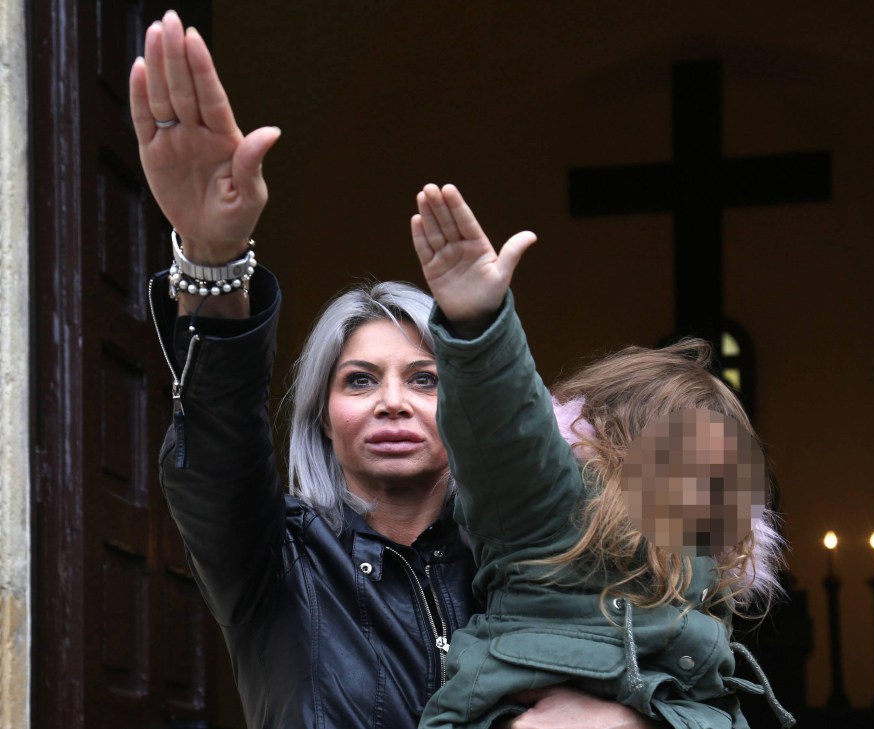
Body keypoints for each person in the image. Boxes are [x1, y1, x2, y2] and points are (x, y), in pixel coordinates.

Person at [132, 10, 659, 729]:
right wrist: (211, 257)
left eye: (425, 378)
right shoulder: (272, 558)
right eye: (358, 379)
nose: (392, 401)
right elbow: (220, 434)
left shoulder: (533, 560)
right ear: (322, 414)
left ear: (468, 404)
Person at [409, 184, 794, 728]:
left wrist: (633, 722)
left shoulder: (704, 585)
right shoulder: (556, 511)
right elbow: (506, 430)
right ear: (613, 447)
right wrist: (480, 325)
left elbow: (718, 716)